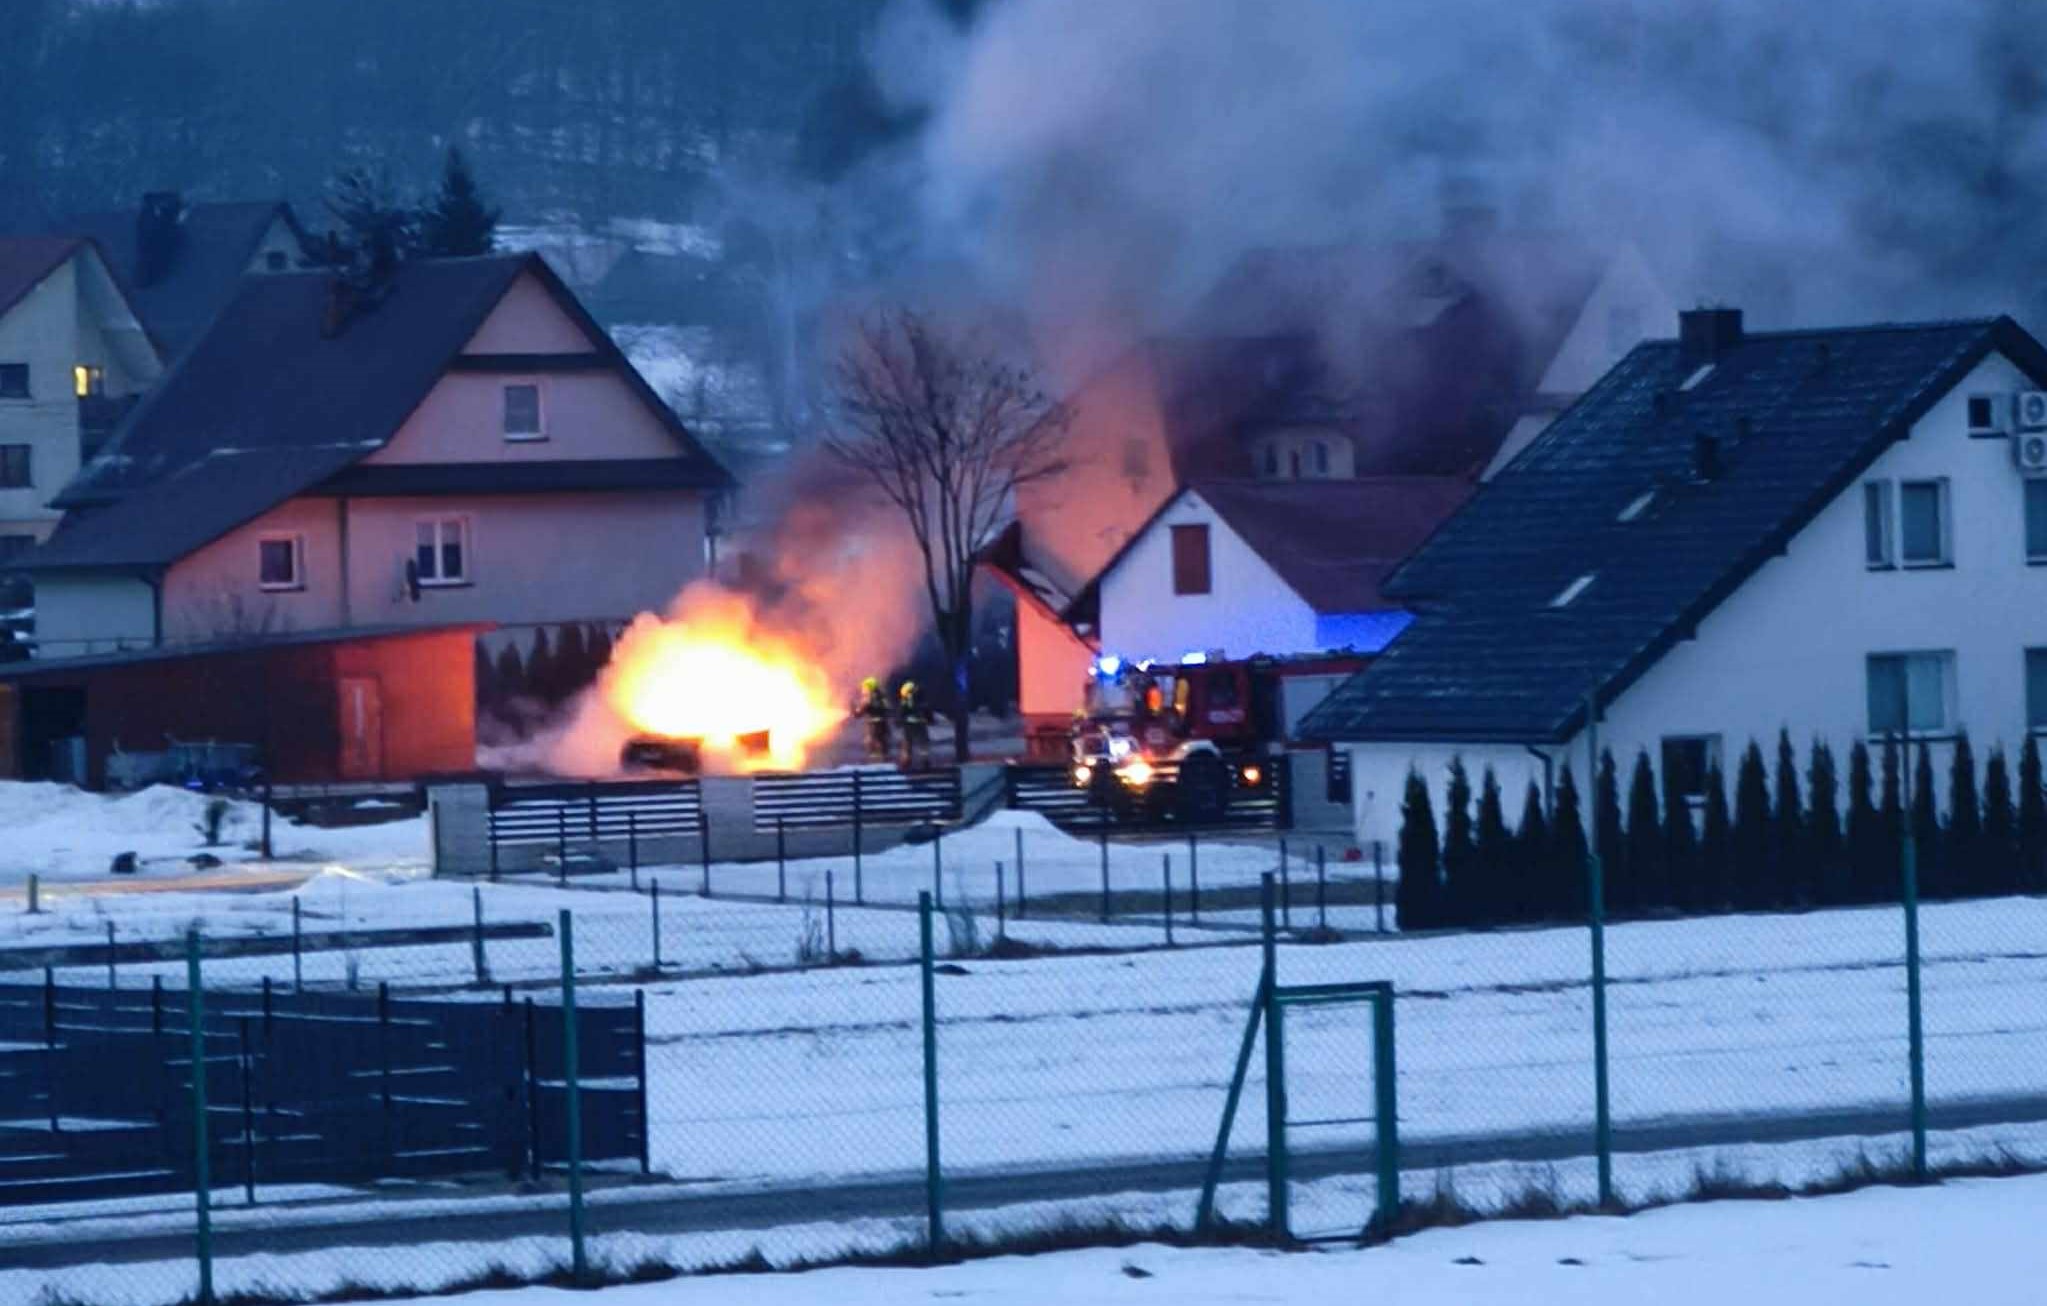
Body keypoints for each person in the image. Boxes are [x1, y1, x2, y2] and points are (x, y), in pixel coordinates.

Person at [897, 679, 931, 769]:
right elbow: (927, 710)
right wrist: (930, 720)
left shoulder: (906, 700)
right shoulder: (922, 698)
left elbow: (902, 712)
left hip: (909, 724)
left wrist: (899, 721)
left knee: (907, 744)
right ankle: (925, 761)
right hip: (921, 723)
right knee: (923, 743)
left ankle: (906, 762)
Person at [859, 676, 893, 761]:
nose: (864, 689)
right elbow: (888, 708)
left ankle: (874, 763)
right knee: (883, 742)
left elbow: (862, 710)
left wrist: (856, 711)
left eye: (866, 687)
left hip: (873, 725)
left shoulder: (868, 697)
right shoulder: (882, 696)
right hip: (883, 723)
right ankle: (885, 761)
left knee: (872, 743)